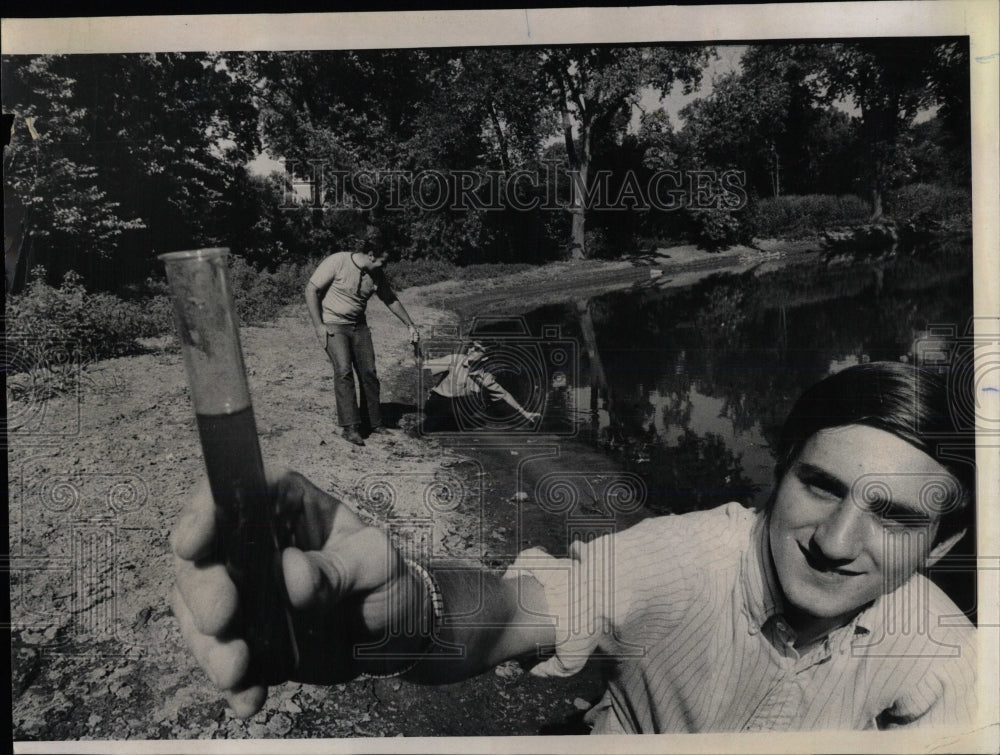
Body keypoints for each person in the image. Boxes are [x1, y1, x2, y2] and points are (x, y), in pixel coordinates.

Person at [171, 361, 977, 731]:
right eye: (822, 487)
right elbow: (506, 614)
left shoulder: (953, 655)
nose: (837, 542)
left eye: (896, 516)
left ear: (947, 543)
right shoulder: (685, 557)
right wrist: (398, 614)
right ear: (777, 476)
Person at [305, 225, 419, 446]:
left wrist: (410, 325)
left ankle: (374, 423)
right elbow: (311, 290)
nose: (384, 265)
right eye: (382, 260)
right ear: (370, 254)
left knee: (369, 372)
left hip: (359, 326)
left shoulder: (376, 273)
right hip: (333, 325)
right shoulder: (337, 261)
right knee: (344, 371)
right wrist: (319, 326)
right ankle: (350, 428)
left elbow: (390, 299)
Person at [419, 340, 542, 432]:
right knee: (443, 415)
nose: (471, 349)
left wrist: (525, 413)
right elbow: (422, 365)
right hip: (438, 400)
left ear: (485, 357)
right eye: (472, 346)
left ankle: (449, 422)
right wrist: (415, 346)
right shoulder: (455, 360)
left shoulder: (484, 376)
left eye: (477, 349)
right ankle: (419, 430)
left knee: (463, 411)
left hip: (456, 405)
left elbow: (504, 394)